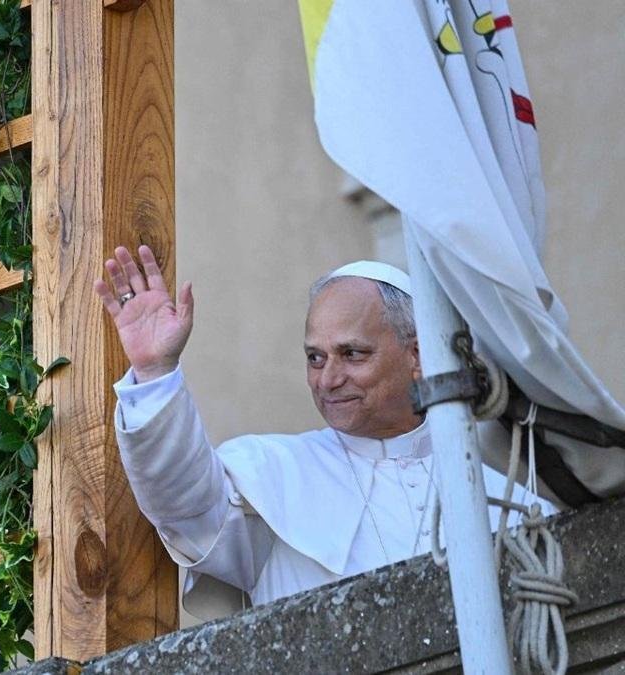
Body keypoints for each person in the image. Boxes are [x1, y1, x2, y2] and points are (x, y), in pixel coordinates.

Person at [93, 245, 552, 618]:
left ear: (419, 355)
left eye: (352, 354)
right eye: (315, 357)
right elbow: (182, 502)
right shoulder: (274, 474)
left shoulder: (502, 480)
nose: (328, 379)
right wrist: (155, 373)